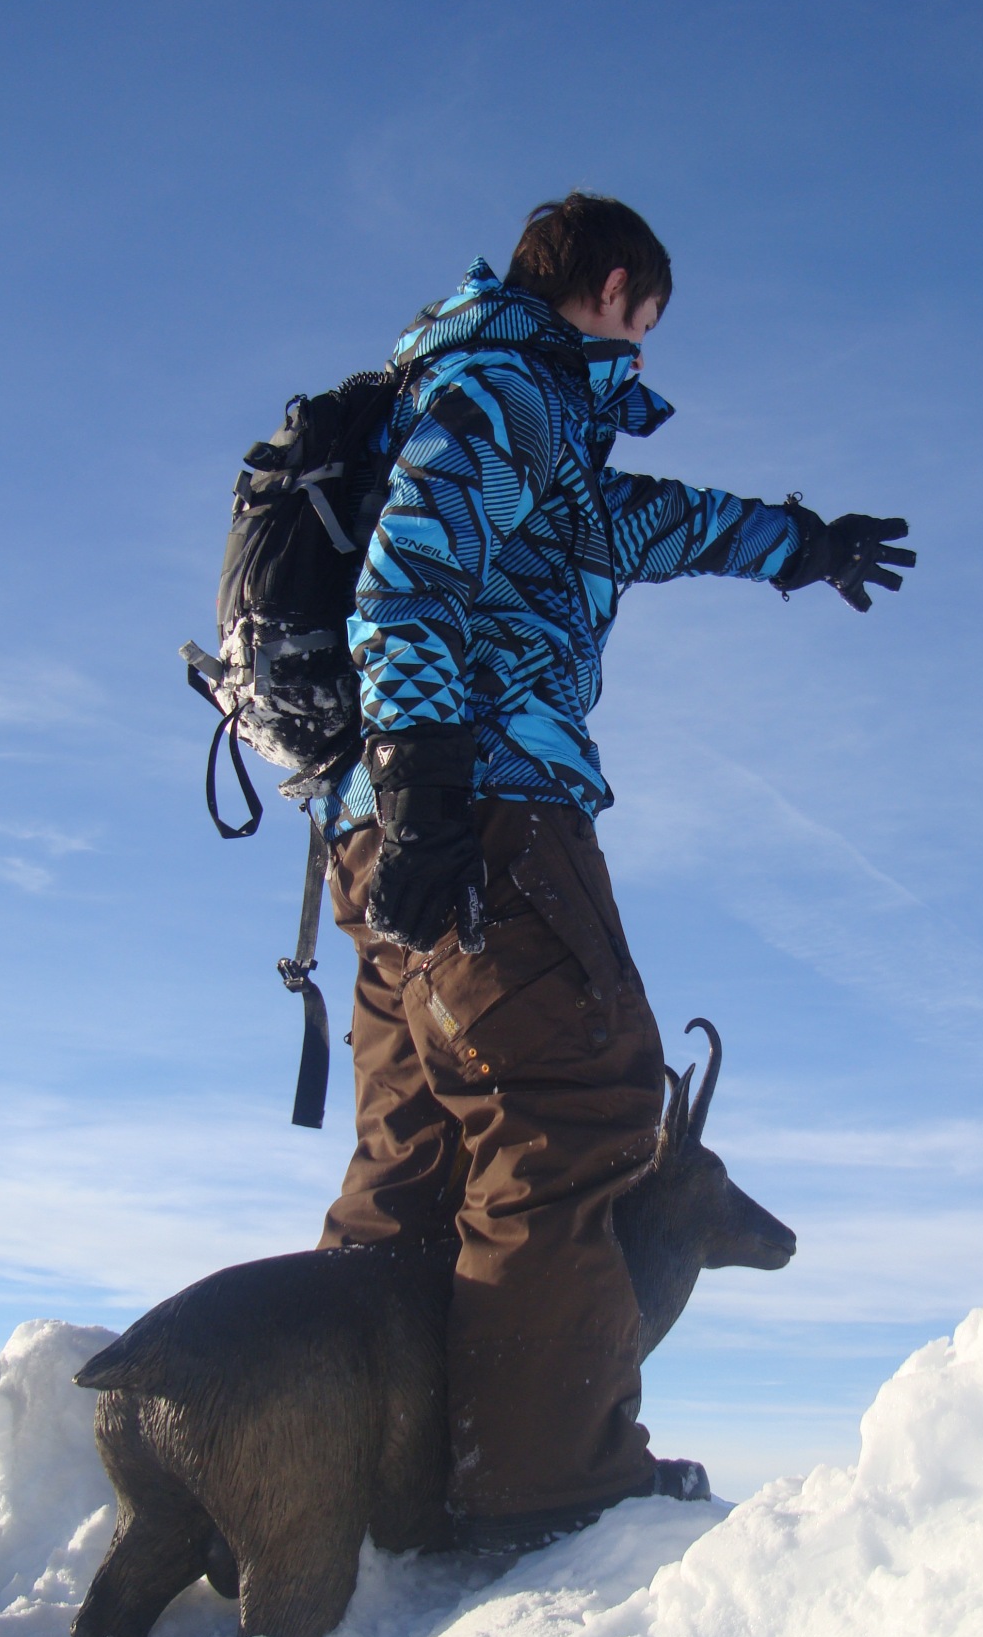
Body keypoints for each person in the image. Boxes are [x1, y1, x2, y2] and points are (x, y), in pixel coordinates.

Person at [313, 193, 914, 1551]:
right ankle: (546, 1482)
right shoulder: (510, 393)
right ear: (622, 288)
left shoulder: (520, 418)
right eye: (652, 317)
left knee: (418, 1149)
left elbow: (649, 525)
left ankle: (355, 1462)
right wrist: (429, 786)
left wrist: (804, 546)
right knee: (577, 1107)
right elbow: (407, 580)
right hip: (485, 809)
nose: (650, 341)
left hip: (383, 830)